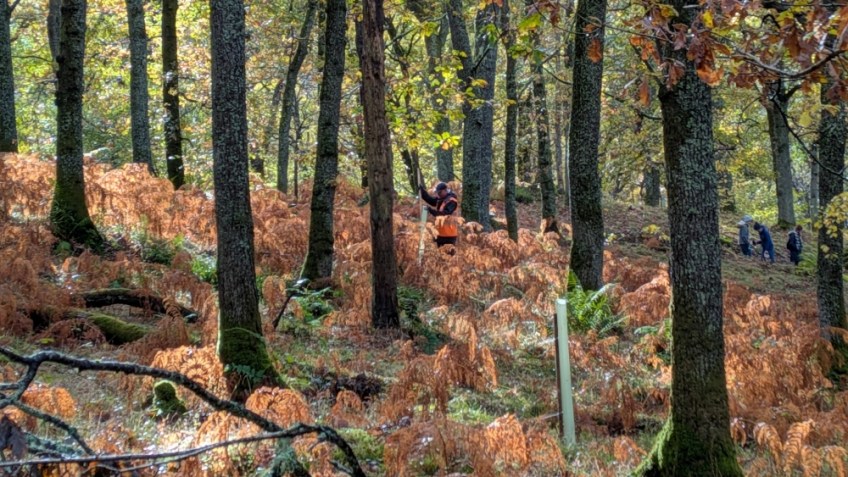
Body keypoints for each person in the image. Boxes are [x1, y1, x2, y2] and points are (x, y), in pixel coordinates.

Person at [419, 182, 459, 248]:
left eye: (440, 192)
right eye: (437, 192)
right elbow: (431, 200)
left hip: (449, 234)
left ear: (445, 190)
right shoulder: (441, 198)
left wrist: (431, 210)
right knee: (440, 253)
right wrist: (422, 191)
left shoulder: (452, 201)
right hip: (440, 233)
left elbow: (445, 214)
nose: (438, 194)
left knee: (448, 254)